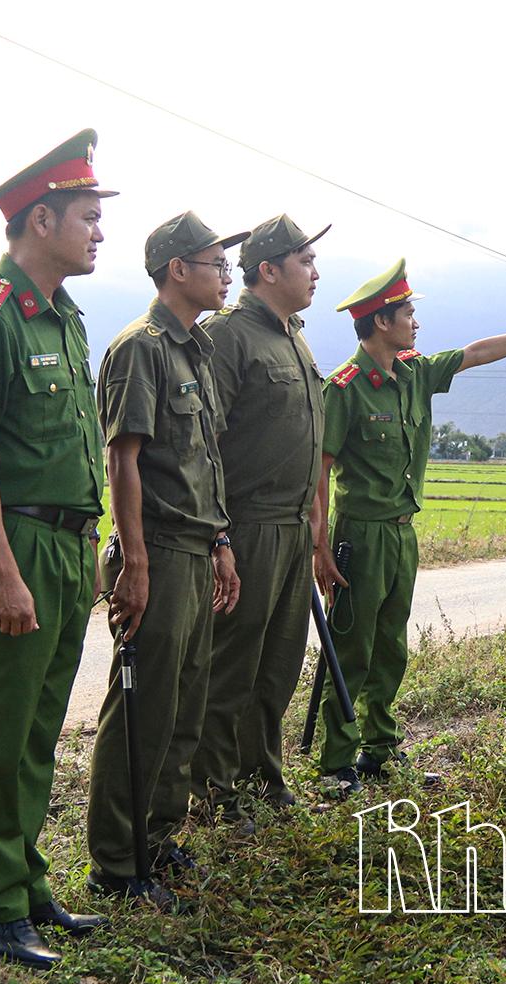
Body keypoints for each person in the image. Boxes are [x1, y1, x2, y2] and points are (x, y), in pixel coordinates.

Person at [0, 129, 116, 969]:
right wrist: (2, 572)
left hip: (68, 547)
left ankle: (26, 883)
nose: (99, 232)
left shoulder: (68, 321)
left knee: (37, 731)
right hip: (11, 547)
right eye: (87, 215)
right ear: (40, 218)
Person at [311, 259, 506, 793]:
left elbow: (477, 353)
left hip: (401, 533)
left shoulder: (414, 372)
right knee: (352, 646)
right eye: (408, 313)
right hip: (359, 535)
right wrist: (320, 544)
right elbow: (319, 471)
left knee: (391, 644)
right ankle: (336, 763)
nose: (415, 322)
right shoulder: (344, 389)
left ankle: (380, 749)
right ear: (381, 322)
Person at [83, 212, 245, 909]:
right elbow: (124, 461)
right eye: (216, 262)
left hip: (195, 547)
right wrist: (137, 565)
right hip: (156, 551)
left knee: (183, 705)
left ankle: (159, 835)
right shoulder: (140, 349)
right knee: (142, 710)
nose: (226, 274)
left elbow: (199, 463)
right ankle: (118, 865)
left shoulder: (195, 351)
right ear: (178, 269)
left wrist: (220, 542)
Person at [189, 215, 329, 826]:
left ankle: (261, 773)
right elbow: (205, 441)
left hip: (295, 526)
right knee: (232, 663)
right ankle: (214, 789)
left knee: (278, 663)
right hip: (248, 526)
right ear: (268, 270)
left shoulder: (294, 335)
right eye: (305, 262)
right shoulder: (228, 336)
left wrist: (317, 523)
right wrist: (220, 532)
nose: (316, 273)